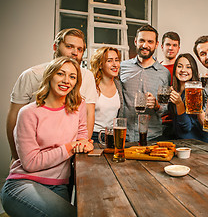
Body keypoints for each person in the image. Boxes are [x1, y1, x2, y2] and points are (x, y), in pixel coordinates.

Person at [1, 57, 94, 217]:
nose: (66, 81)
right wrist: (70, 147)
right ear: (50, 75)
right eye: (60, 74)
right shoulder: (29, 113)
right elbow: (30, 163)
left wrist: (84, 144)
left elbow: (82, 136)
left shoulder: (78, 107)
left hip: (59, 186)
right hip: (24, 183)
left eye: (72, 77)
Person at [7, 28, 97, 161]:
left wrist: (80, 148)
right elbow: (14, 117)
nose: (75, 53)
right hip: (33, 154)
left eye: (80, 49)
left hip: (69, 155)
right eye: (69, 46)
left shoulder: (87, 76)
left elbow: (88, 116)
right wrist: (17, 157)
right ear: (55, 47)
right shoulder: (31, 75)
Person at [120, 24, 171, 142]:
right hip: (124, 135)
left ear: (156, 44)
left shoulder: (164, 73)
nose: (145, 45)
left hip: (152, 136)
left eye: (150, 42)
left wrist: (156, 105)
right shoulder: (122, 67)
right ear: (135, 41)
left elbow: (165, 108)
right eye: (142, 40)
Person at [169, 53, 208, 142]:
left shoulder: (199, 93)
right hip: (180, 145)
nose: (183, 70)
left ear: (193, 70)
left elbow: (186, 127)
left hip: (199, 146)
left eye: (188, 67)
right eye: (180, 66)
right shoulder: (174, 92)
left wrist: (179, 104)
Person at [90, 47, 123, 143]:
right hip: (93, 136)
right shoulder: (92, 86)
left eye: (117, 60)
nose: (115, 64)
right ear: (100, 65)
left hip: (113, 137)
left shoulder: (119, 85)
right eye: (109, 61)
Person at [160, 31, 181, 139]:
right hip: (160, 122)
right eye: (168, 44)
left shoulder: (182, 70)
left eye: (174, 45)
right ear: (162, 47)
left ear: (178, 48)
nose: (171, 48)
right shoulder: (156, 69)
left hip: (179, 120)